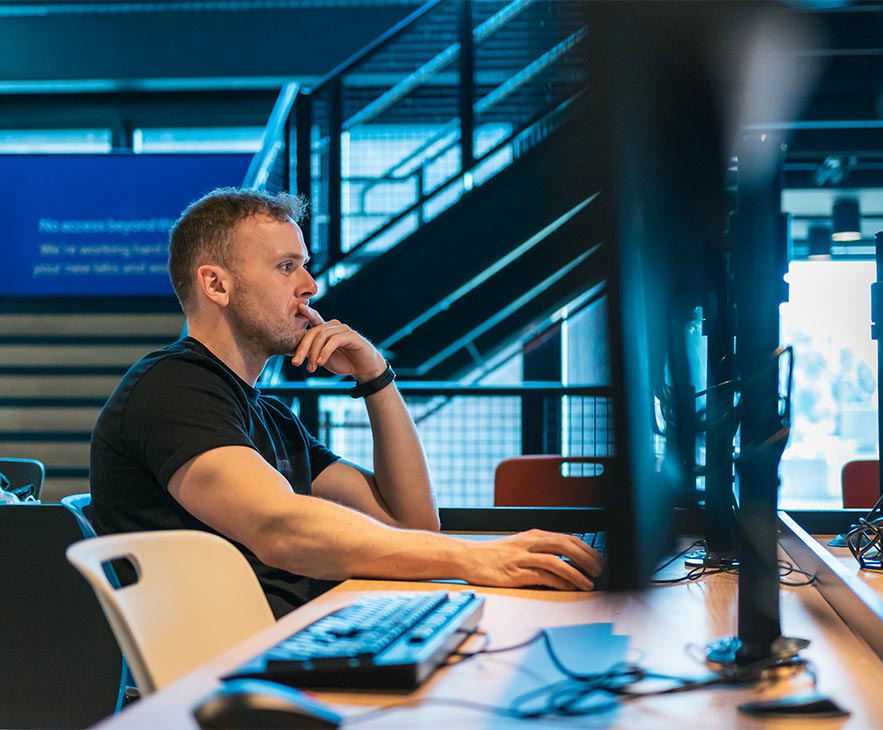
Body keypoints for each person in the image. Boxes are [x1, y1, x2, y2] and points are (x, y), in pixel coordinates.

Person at [89, 187, 602, 617]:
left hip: (297, 640)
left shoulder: (267, 416)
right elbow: (281, 527)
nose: (309, 287)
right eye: (286, 267)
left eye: (304, 267)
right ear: (216, 284)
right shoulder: (172, 387)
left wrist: (375, 378)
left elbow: (414, 523)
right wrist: (475, 557)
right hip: (237, 674)